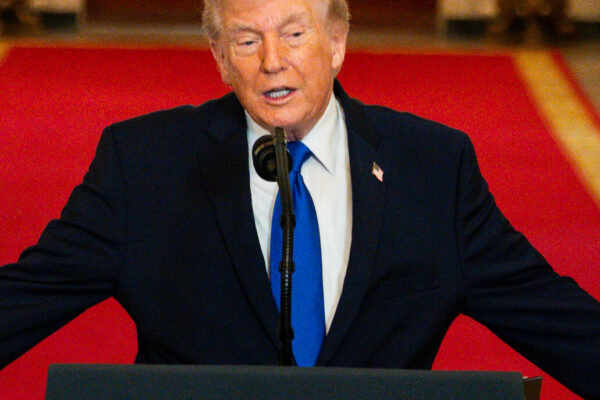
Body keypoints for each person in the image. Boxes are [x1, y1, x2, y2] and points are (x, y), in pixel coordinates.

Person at [0, 0, 599, 398]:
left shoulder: (433, 168)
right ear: (219, 58)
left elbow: (558, 321)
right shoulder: (145, 164)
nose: (272, 62)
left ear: (336, 42)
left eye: (293, 33)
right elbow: (28, 295)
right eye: (246, 40)